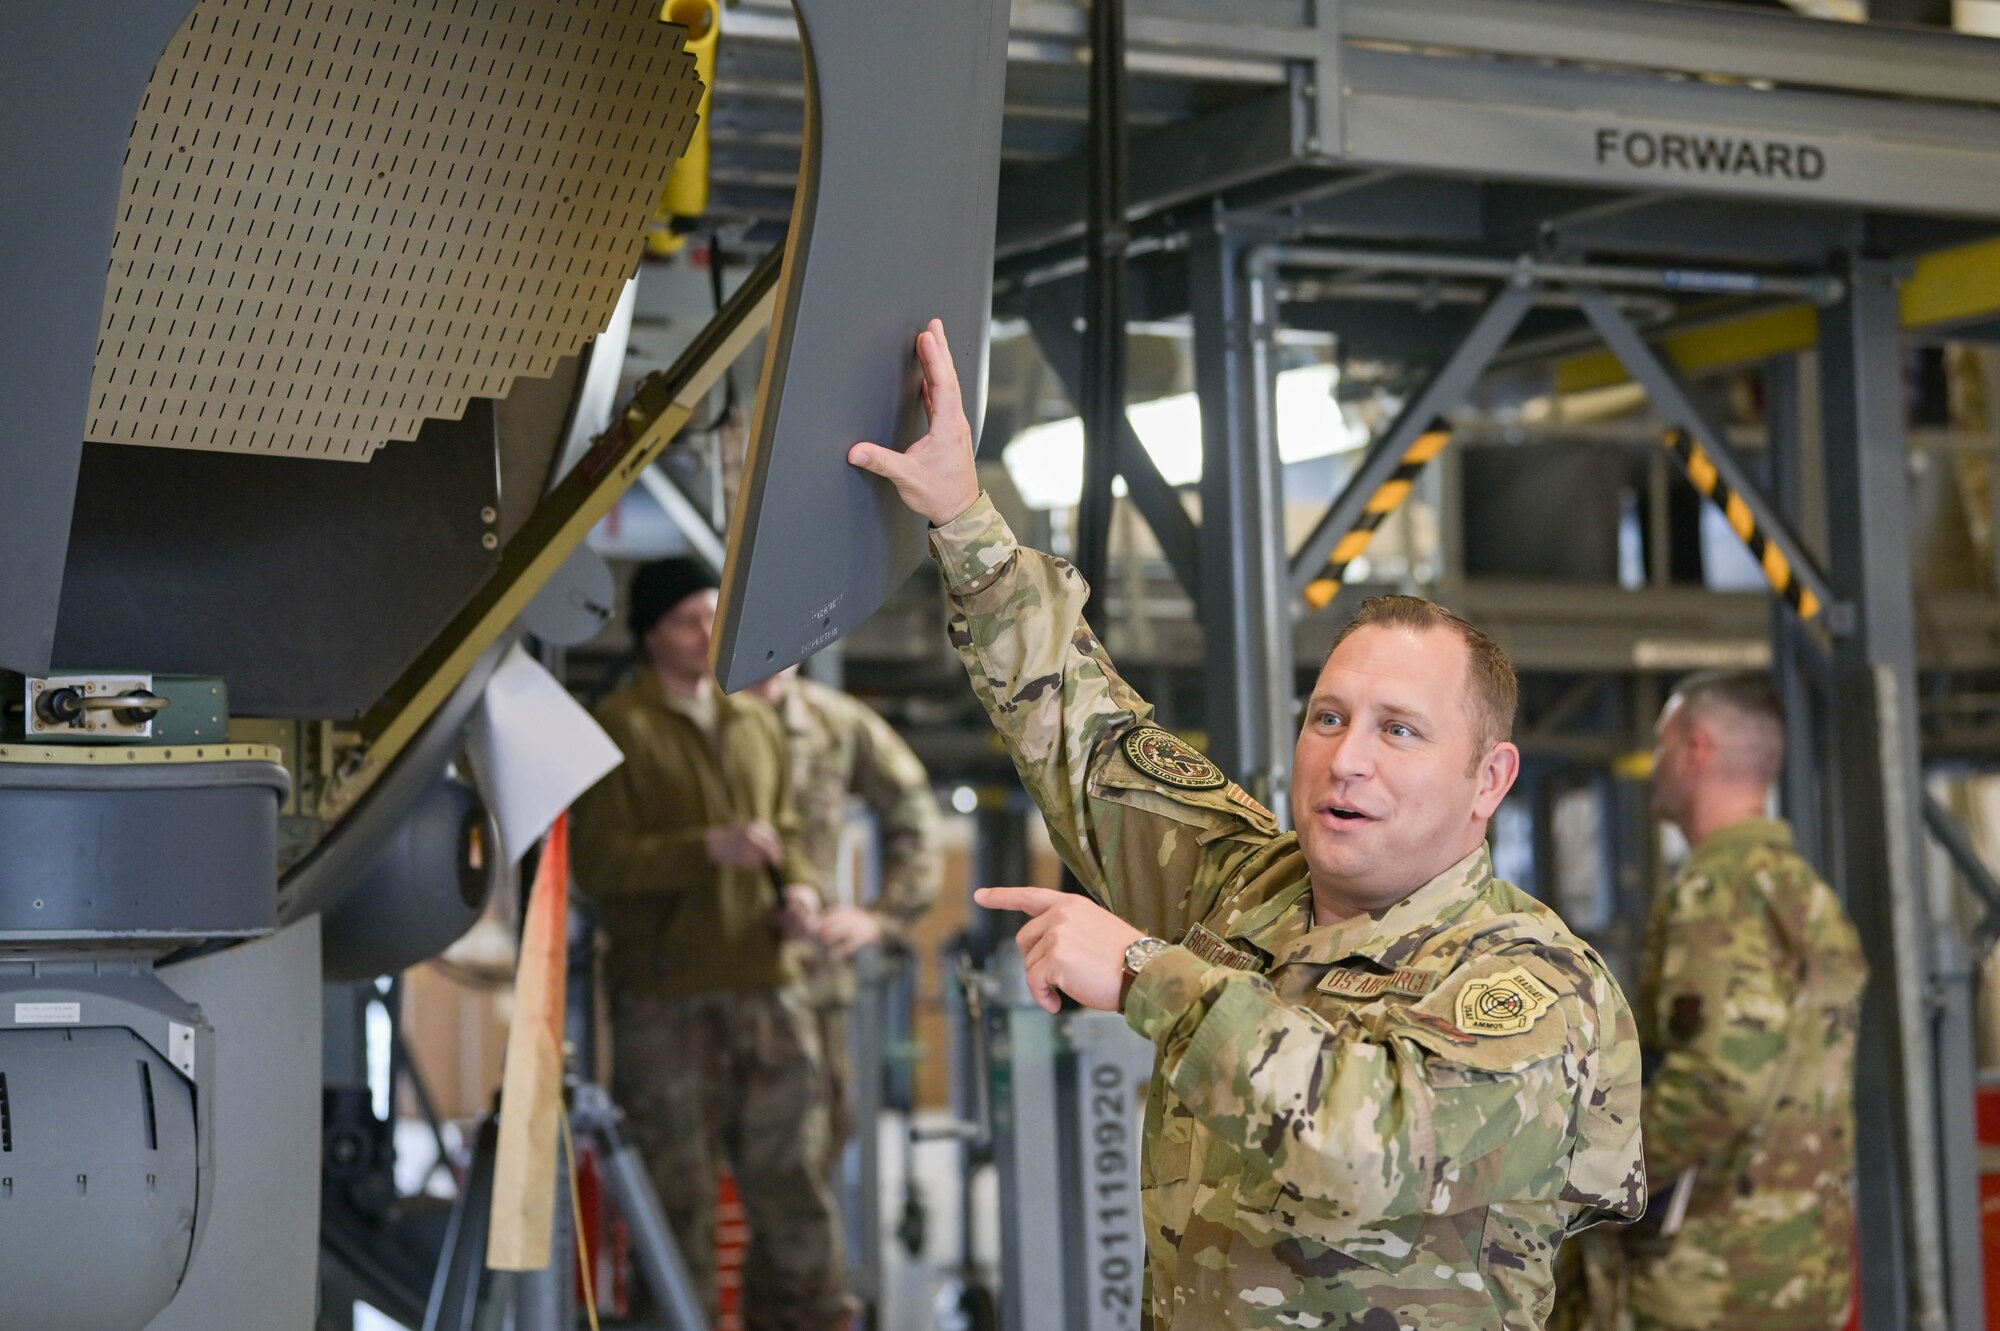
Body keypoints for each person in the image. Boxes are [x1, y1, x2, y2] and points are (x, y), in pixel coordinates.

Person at [847, 320, 1646, 1328]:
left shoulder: (1529, 981)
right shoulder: (1245, 887)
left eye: (1398, 730)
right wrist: (963, 516)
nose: (1345, 756)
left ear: (1487, 778)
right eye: (1327, 716)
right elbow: (1089, 738)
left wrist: (1145, 973)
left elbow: (1367, 1146)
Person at [571, 557, 848, 1331]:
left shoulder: (754, 720)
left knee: (795, 1183)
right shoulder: (618, 730)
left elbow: (786, 830)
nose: (706, 634)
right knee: (676, 1197)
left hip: (768, 981)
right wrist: (705, 850)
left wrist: (800, 889)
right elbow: (598, 863)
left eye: (713, 617)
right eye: (689, 620)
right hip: (666, 1000)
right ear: (651, 634)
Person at [1624, 673, 1867, 1331]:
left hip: (1712, 1278)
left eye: (1661, 745)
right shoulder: (1810, 896)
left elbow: (1722, 1078)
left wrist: (1605, 1172)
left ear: (1694, 750)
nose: (1655, 767)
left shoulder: (1718, 892)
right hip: (1804, 1266)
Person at [746, 664, 944, 1177]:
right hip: (696, 979)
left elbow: (916, 813)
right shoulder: (685, 716)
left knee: (813, 1155)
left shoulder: (832, 721)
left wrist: (883, 917)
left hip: (809, 971)